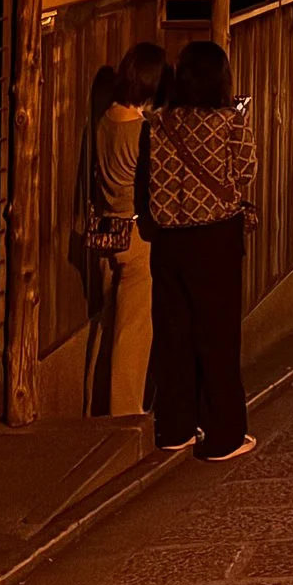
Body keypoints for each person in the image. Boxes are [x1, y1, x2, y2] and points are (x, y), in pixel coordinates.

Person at [145, 40, 259, 461]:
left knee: (174, 331)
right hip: (215, 237)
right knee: (218, 335)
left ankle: (174, 427)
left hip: (169, 238)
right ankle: (224, 434)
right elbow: (246, 172)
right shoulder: (230, 122)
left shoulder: (158, 123)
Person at [86, 41, 165, 417]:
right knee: (133, 333)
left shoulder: (103, 122)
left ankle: (97, 405)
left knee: (108, 326)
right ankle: (125, 415)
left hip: (107, 231)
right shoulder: (142, 131)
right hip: (136, 234)